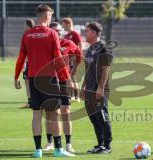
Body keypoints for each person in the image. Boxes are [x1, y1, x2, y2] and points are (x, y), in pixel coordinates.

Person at [14, 4, 75, 158]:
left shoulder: (27, 35)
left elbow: (21, 58)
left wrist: (16, 77)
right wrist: (67, 78)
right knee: (53, 114)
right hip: (49, 80)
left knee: (36, 115)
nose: (51, 19)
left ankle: (38, 151)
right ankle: (58, 149)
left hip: (33, 79)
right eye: (50, 16)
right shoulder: (52, 34)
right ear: (47, 16)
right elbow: (59, 59)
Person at [43, 22, 82, 153]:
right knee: (51, 113)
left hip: (64, 81)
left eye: (59, 30)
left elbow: (79, 55)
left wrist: (73, 72)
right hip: (50, 82)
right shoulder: (45, 45)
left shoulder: (68, 43)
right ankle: (50, 143)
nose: (58, 32)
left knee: (66, 112)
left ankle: (68, 144)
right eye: (55, 30)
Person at [80, 21, 113, 154]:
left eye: (87, 31)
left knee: (102, 115)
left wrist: (100, 88)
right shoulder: (89, 50)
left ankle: (107, 145)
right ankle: (100, 144)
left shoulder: (104, 48)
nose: (85, 34)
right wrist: (83, 86)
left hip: (100, 89)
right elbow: (87, 70)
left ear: (94, 33)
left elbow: (106, 69)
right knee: (93, 116)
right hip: (89, 88)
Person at [61, 17, 83, 102]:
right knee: (69, 77)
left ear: (68, 24)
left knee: (72, 77)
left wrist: (77, 57)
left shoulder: (74, 34)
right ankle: (72, 95)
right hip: (68, 60)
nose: (63, 27)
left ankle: (76, 96)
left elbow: (80, 46)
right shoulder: (66, 35)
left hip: (74, 59)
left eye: (64, 24)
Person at [20, 18, 34, 109]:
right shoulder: (35, 34)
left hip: (29, 62)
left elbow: (25, 51)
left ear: (28, 25)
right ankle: (34, 102)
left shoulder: (27, 35)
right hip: (35, 62)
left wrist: (24, 63)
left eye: (24, 24)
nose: (23, 26)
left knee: (28, 83)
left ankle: (30, 102)